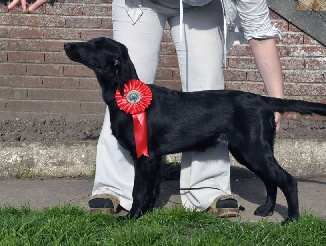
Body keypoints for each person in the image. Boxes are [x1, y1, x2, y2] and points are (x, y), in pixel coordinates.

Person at [8, 0, 285, 217]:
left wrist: (277, 102)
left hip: (201, 7)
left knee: (208, 89)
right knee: (126, 96)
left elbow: (260, 33)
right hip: (140, 3)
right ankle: (113, 188)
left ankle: (209, 189)